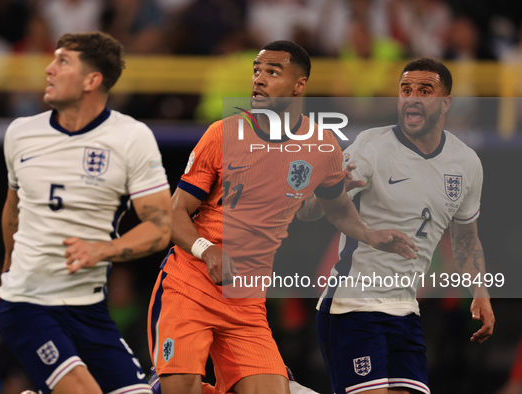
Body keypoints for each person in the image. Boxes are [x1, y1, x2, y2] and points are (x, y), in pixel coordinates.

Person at [147, 40, 418, 394]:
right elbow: (174, 211)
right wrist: (206, 250)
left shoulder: (323, 147)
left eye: (272, 72)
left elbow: (332, 210)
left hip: (246, 301)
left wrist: (371, 234)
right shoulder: (222, 134)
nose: (258, 79)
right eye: (256, 71)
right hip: (190, 285)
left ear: (299, 85)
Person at [0, 31, 172, 394]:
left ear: (92, 80)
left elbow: (160, 226)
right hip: (28, 303)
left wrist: (102, 249)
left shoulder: (131, 137)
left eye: (62, 61)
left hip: (89, 309)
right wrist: (8, 273)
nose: (48, 69)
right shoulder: (21, 133)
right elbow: (14, 210)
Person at [308, 58, 495, 394]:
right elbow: (307, 211)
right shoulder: (371, 147)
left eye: (425, 90)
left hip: (406, 310)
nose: (413, 97)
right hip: (354, 305)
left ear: (445, 102)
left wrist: (480, 291)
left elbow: (466, 238)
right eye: (406, 89)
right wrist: (338, 188)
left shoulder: (466, 162)